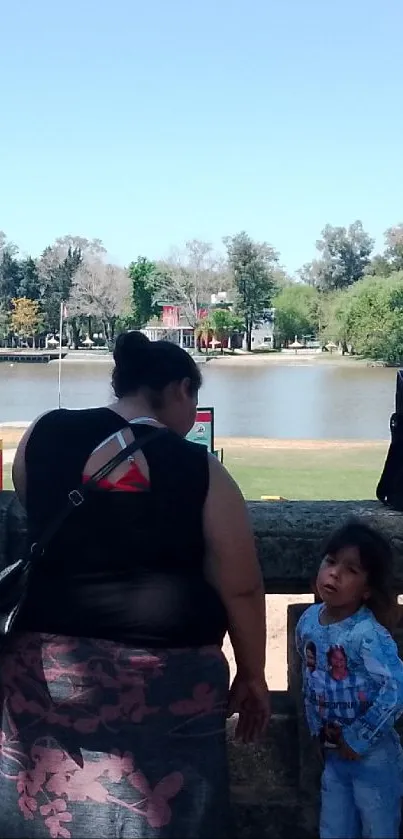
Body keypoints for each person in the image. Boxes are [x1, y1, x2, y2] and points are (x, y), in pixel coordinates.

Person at [2, 331, 270, 839]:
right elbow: (240, 586)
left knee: (47, 816)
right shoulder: (202, 469)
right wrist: (253, 674)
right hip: (165, 683)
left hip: (47, 671)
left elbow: (30, 507)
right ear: (181, 390)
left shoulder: (42, 432)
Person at [296, 519, 403, 839]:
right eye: (330, 562)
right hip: (333, 750)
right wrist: (317, 731)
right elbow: (311, 678)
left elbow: (395, 689)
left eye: (351, 570)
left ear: (368, 589)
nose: (334, 574)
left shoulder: (366, 635)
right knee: (334, 827)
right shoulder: (309, 622)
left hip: (372, 756)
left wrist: (360, 737)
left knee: (378, 827)